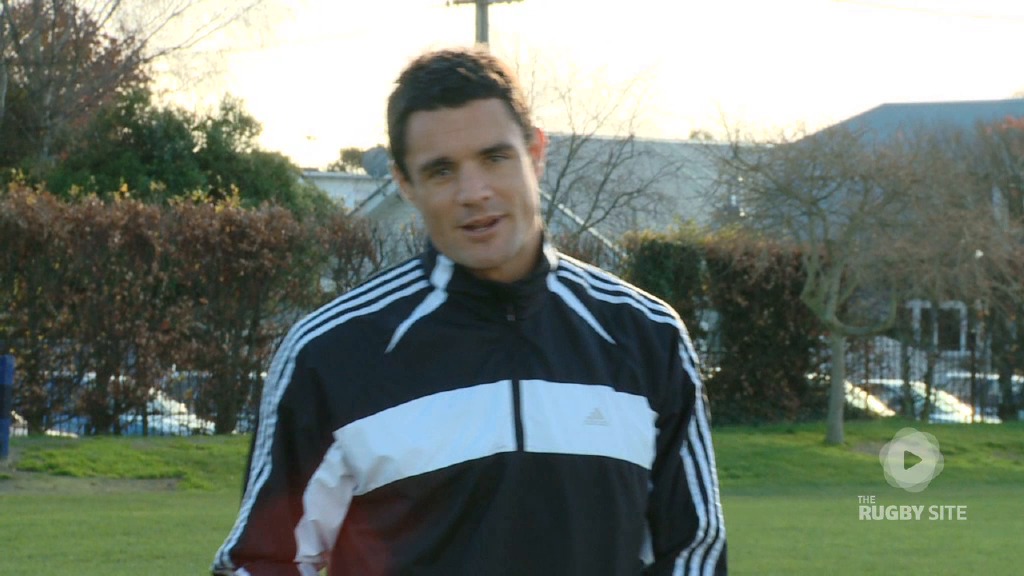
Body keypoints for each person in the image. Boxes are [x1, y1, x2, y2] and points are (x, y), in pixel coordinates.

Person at [212, 47, 727, 576]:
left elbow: (693, 552)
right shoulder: (331, 354)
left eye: (494, 158)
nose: (474, 192)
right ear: (405, 184)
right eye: (441, 171)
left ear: (536, 153)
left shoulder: (646, 336)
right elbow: (262, 561)